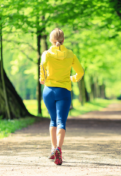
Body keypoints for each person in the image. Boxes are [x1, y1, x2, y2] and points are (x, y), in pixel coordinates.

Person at [39, 28, 84, 165]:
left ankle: (53, 149)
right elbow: (80, 72)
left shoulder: (46, 54)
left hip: (48, 91)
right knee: (61, 122)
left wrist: (42, 78)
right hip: (64, 91)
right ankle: (59, 148)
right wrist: (72, 78)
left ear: (51, 41)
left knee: (53, 120)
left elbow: (41, 66)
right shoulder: (70, 54)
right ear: (63, 40)